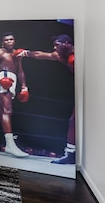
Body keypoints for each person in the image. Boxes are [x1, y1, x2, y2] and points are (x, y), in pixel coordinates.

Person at [17, 34, 75, 164]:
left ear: (66, 43)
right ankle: (71, 153)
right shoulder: (58, 55)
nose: (54, 47)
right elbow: (41, 55)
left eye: (57, 44)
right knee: (74, 120)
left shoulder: (80, 52)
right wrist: (26, 53)